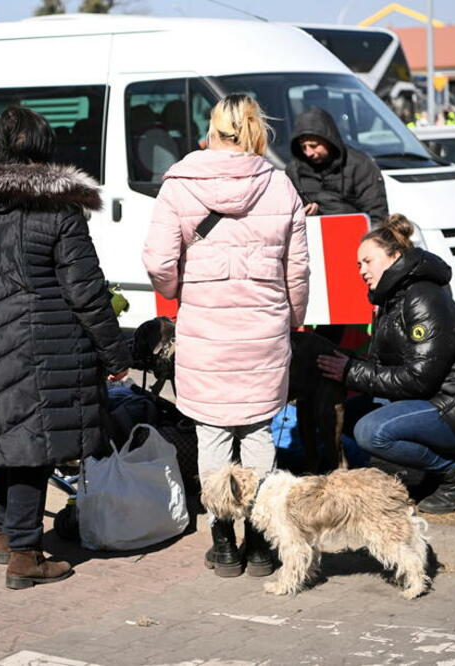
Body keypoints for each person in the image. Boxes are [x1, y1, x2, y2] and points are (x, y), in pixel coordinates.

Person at [0, 106, 131, 590]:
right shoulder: (57, 209)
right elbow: (85, 290)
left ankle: (4, 531)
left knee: (5, 433)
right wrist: (116, 353)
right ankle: (25, 554)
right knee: (31, 446)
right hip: (44, 346)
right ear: (46, 151)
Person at [142, 94, 310, 578]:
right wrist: (292, 318)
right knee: (258, 432)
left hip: (206, 328)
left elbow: (157, 261)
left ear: (211, 129)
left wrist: (178, 290)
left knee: (212, 433)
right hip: (264, 329)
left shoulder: (180, 184)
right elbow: (296, 270)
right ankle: (260, 545)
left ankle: (223, 544)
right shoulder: (279, 186)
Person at [316, 214, 455, 514]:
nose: (361, 270)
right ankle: (433, 474)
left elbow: (420, 378)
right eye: (358, 265)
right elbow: (386, 367)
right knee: (351, 416)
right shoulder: (393, 298)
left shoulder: (422, 296)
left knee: (371, 431)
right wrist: (348, 365)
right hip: (442, 399)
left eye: (368, 261)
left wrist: (351, 371)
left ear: (394, 256)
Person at [284, 106, 388, 226]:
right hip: (309, 240)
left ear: (328, 140)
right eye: (303, 147)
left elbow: (378, 216)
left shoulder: (360, 166)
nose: (309, 153)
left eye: (314, 145)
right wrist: (301, 215)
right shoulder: (293, 171)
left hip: (355, 238)